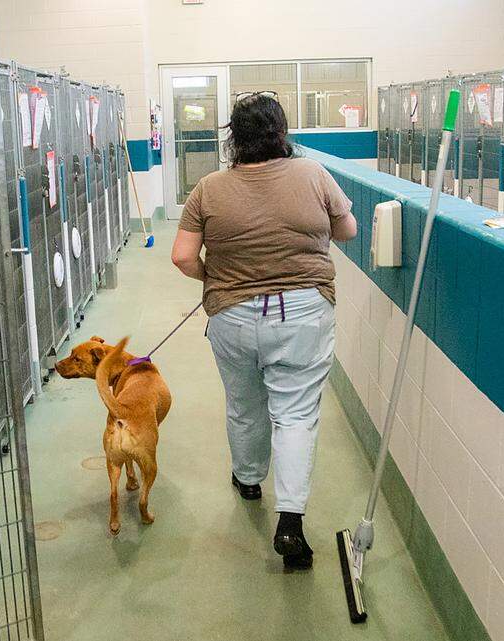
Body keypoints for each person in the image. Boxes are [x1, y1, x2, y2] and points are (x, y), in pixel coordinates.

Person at [171, 93, 357, 569]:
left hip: (231, 315)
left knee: (244, 403)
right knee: (294, 415)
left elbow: (183, 257)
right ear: (281, 132)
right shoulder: (314, 174)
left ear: (234, 137)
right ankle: (291, 523)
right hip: (302, 314)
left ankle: (249, 478)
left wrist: (213, 278)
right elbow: (347, 230)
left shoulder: (208, 188)